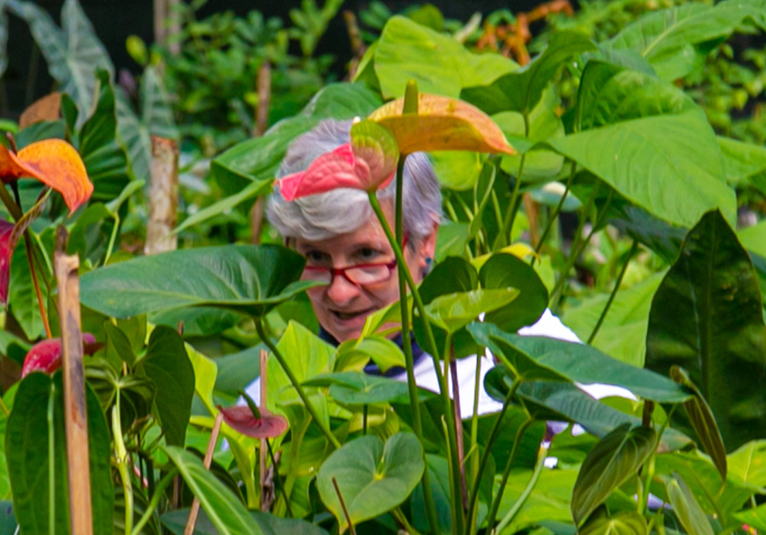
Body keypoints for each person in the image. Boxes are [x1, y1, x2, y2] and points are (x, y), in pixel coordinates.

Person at [262, 118, 622, 414]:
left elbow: (624, 446)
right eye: (315, 257)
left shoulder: (509, 338)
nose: (340, 293)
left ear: (426, 241)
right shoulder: (275, 396)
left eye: (367, 255)